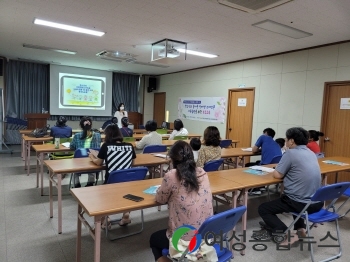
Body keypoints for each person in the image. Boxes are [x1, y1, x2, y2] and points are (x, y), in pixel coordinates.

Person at [254, 127, 323, 245]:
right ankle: (300, 229)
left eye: (286, 139)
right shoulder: (311, 153)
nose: (285, 141)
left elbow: (277, 175)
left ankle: (284, 232)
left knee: (263, 208)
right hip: (316, 202)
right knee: (300, 194)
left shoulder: (290, 153)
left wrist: (285, 157)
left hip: (299, 203)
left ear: (291, 141)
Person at [149, 140, 213, 262]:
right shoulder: (202, 173)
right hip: (205, 235)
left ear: (173, 160)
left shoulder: (171, 175)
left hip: (185, 239)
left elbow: (160, 199)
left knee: (153, 239)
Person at [89, 124, 136, 226]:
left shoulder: (106, 146)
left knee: (100, 192)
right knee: (125, 191)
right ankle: (126, 215)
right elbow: (134, 163)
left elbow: (98, 162)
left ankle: (106, 219)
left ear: (107, 135)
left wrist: (92, 157)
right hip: (128, 183)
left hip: (111, 183)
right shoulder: (129, 146)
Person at [70, 116, 101, 188]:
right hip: (93, 161)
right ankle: (90, 183)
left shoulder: (77, 135)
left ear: (81, 125)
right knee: (92, 160)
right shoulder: (97, 135)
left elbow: (72, 147)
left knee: (75, 162)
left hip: (79, 163)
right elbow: (98, 147)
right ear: (91, 125)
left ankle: (76, 184)